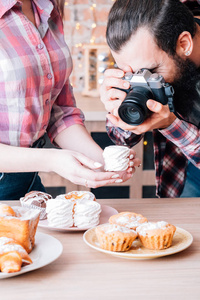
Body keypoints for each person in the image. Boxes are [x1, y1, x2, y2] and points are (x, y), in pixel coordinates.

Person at [0, 0, 141, 200]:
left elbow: (59, 111)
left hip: (27, 181)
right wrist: (52, 161)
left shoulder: (48, 8)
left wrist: (100, 162)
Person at [100, 0, 200, 198]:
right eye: (131, 73)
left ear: (184, 44)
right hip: (183, 172)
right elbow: (120, 138)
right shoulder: (153, 35)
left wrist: (171, 126)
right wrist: (118, 110)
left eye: (150, 72)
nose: (142, 80)